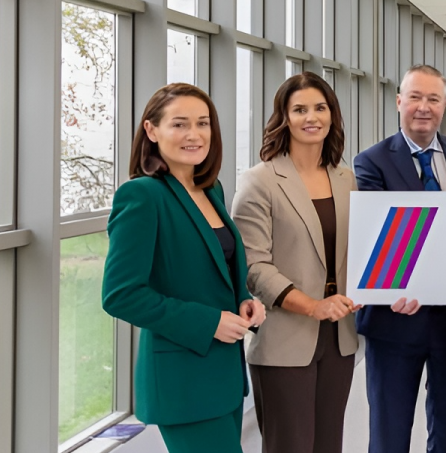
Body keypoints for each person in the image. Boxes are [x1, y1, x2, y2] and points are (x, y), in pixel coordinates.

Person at [102, 83, 266, 452]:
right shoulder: (142, 196)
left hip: (223, 375)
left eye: (203, 123)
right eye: (179, 124)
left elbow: (217, 269)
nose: (194, 134)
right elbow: (121, 295)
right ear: (151, 130)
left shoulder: (210, 190)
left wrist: (244, 299)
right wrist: (210, 322)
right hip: (183, 383)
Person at [353, 64, 446, 453]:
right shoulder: (371, 162)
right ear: (398, 102)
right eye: (415, 97)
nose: (423, 107)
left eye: (433, 99)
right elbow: (377, 235)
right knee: (389, 432)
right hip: (394, 318)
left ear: (445, 105)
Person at [231, 72, 360, 453]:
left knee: (329, 445)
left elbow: (357, 251)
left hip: (339, 338)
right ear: (284, 118)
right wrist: (313, 306)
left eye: (320, 108)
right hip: (285, 338)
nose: (311, 117)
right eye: (300, 109)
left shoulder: (346, 179)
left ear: (332, 115)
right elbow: (254, 266)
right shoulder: (260, 181)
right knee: (290, 445)